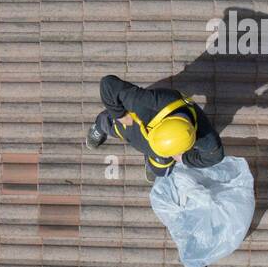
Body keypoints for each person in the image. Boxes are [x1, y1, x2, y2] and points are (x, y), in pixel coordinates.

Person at [86, 74, 224, 184]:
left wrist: (184, 158)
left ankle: (154, 160)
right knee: (108, 122)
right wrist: (120, 115)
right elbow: (108, 84)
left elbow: (215, 157)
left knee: (161, 171)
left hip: (161, 148)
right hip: (134, 123)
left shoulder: (206, 138)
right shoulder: (146, 103)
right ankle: (99, 127)